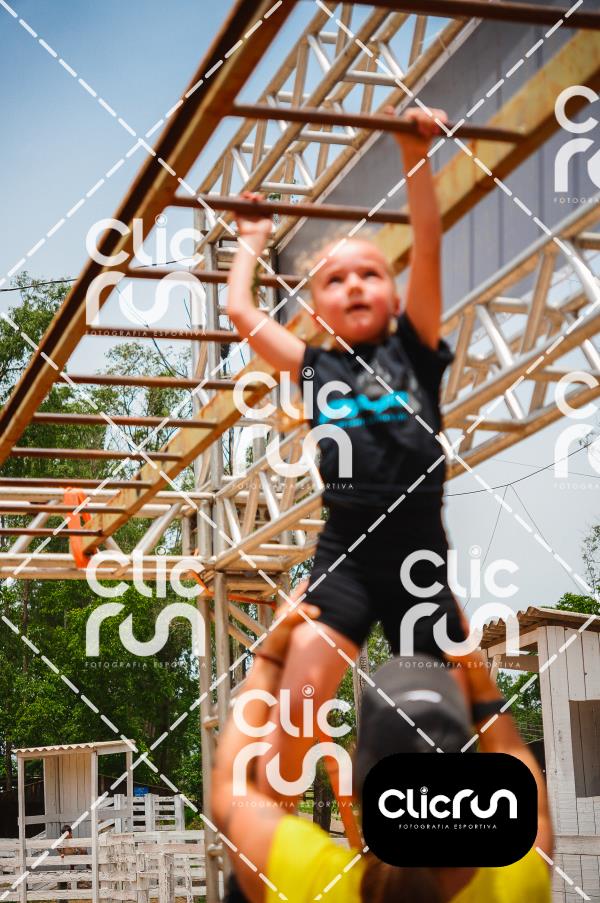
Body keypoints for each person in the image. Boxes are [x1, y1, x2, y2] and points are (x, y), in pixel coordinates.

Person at [227, 104, 467, 801]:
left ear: (394, 297)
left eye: (369, 274)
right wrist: (252, 239)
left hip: (420, 554)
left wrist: (413, 153)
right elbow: (243, 313)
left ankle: (422, 825)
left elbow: (429, 243)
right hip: (347, 552)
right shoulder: (315, 366)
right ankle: (269, 823)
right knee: (301, 698)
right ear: (315, 312)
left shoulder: (414, 348)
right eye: (335, 281)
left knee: (438, 721)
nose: (354, 284)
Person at [211, 600, 553, 903]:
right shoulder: (515, 884)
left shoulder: (316, 882)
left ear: (354, 784)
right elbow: (531, 802)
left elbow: (230, 786)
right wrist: (482, 685)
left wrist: (271, 659)